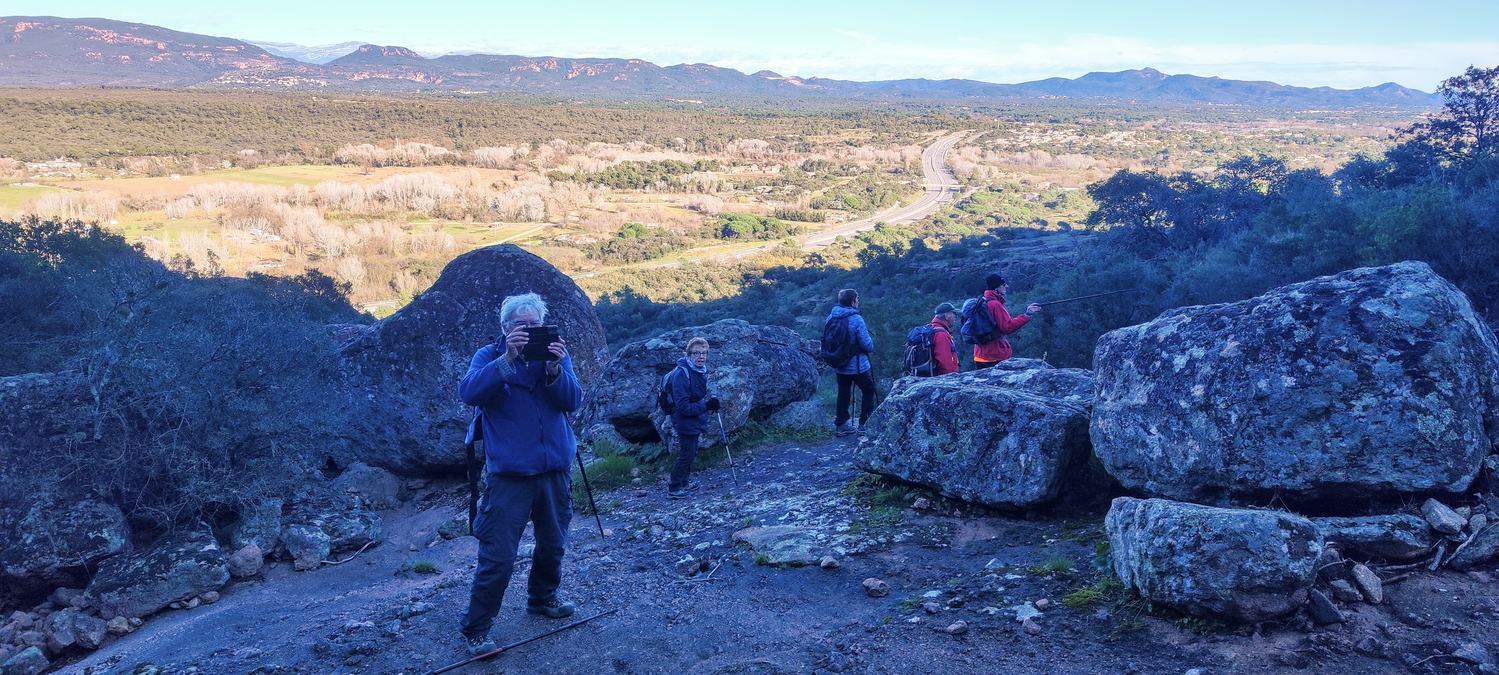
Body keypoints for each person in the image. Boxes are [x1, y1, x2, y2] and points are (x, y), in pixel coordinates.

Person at [457, 292, 583, 656]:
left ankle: (542, 599)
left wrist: (555, 370)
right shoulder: (488, 356)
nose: (528, 331)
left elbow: (573, 400)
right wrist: (507, 360)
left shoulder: (555, 354)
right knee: (498, 556)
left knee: (553, 543)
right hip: (509, 475)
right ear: (505, 327)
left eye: (534, 325)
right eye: (520, 326)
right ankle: (477, 629)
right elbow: (469, 392)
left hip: (554, 470)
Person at [666, 337, 718, 499]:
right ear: (688, 354)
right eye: (696, 353)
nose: (701, 356)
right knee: (687, 454)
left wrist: (710, 403)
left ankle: (684, 483)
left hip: (693, 418)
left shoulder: (699, 371)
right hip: (683, 419)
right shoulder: (682, 375)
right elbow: (683, 407)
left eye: (704, 353)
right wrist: (707, 406)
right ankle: (674, 487)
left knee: (692, 451)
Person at [826, 288, 875, 436]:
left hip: (839, 363)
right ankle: (864, 424)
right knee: (868, 390)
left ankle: (841, 425)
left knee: (843, 392)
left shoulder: (831, 317)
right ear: (853, 301)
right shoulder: (856, 319)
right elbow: (868, 345)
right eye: (857, 299)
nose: (858, 301)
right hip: (857, 365)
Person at [973, 273, 1041, 369]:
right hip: (994, 356)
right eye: (1004, 284)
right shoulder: (995, 304)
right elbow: (1007, 327)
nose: (1007, 286)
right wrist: (1027, 315)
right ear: (996, 288)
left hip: (980, 355)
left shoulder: (982, 301)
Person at [928, 302, 961, 376]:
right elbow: (945, 362)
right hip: (945, 379)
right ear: (947, 316)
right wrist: (954, 377)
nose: (956, 317)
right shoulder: (941, 334)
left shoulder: (933, 328)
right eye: (954, 314)